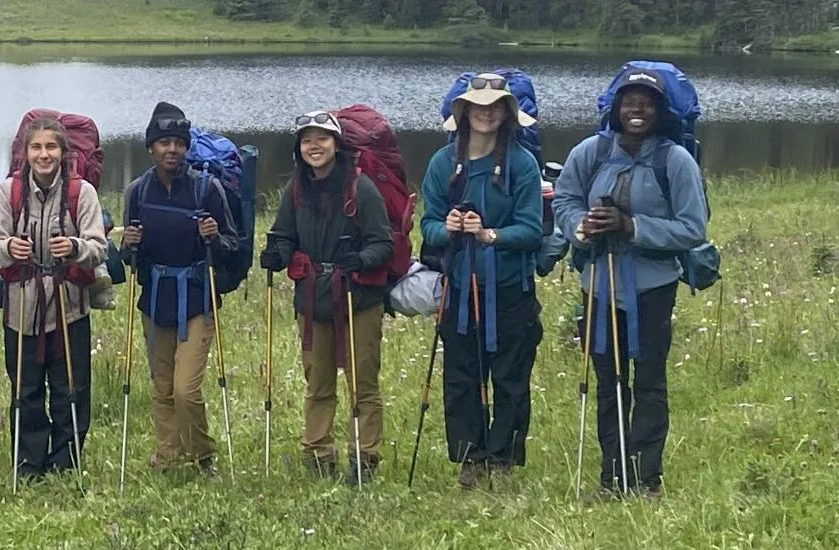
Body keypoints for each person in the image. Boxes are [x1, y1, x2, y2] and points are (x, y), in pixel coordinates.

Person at [552, 68, 708, 500]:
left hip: (653, 286)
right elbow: (564, 200)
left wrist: (632, 226)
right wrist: (580, 227)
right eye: (628, 101)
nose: (636, 109)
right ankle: (611, 477)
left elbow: (692, 228)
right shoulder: (592, 151)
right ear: (615, 109)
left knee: (650, 382)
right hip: (599, 282)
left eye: (647, 102)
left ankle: (646, 479)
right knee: (608, 382)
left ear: (660, 111)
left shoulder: (675, 160)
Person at [418, 72, 544, 489]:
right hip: (459, 288)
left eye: (495, 108)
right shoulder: (442, 163)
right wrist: (450, 228)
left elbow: (532, 230)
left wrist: (491, 235)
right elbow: (428, 226)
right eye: (478, 106)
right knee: (461, 376)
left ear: (507, 113)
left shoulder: (522, 164)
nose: (486, 114)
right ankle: (470, 459)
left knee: (509, 376)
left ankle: (503, 459)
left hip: (510, 289)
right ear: (465, 111)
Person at [259, 111, 393, 483]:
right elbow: (284, 234)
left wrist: (360, 260)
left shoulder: (361, 188)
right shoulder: (297, 189)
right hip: (312, 298)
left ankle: (365, 458)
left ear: (337, 144)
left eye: (322, 139)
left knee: (362, 381)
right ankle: (319, 455)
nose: (314, 146)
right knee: (317, 381)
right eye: (306, 140)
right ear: (298, 149)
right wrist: (277, 254)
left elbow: (384, 243)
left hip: (358, 297)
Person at [0, 116, 108, 480]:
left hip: (69, 306)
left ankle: (66, 463)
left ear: (63, 152)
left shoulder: (81, 192)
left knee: (70, 387)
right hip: (21, 308)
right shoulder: (9, 192)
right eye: (36, 147)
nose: (43, 155)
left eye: (51, 147)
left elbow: (99, 248)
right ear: (25, 153)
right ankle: (29, 464)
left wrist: (73, 247)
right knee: (26, 387)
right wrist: (8, 247)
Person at [121, 102, 239, 475]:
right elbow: (130, 258)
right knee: (162, 387)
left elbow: (232, 247)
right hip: (155, 301)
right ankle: (169, 456)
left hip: (197, 301)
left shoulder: (208, 189)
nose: (172, 150)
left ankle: (203, 456)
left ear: (187, 147)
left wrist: (215, 236)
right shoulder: (137, 192)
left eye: (179, 143)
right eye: (164, 143)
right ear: (150, 148)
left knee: (186, 389)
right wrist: (129, 245)